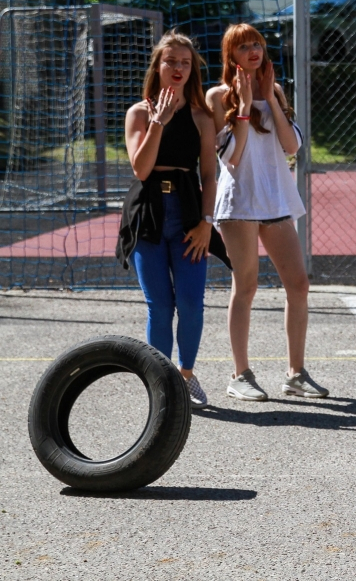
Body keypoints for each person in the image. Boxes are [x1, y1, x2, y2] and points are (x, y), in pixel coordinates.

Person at [206, 23, 327, 401]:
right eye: (244, 47)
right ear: (231, 56)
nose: (253, 51)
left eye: (257, 44)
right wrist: (242, 106)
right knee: (246, 286)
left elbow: (292, 147)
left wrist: (272, 99)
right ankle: (239, 374)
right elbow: (233, 156)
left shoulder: (274, 90)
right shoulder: (217, 97)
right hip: (239, 202)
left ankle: (295, 374)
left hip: (275, 201)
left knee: (299, 285)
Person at [116, 31, 231, 410]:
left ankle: (184, 374)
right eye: (171, 61)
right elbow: (141, 169)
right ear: (158, 66)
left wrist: (205, 222)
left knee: (192, 303)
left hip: (188, 214)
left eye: (185, 62)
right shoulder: (138, 112)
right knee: (159, 306)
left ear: (193, 68)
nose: (178, 68)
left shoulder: (200, 116)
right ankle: (160, 381)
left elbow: (210, 176)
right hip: (147, 215)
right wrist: (158, 122)